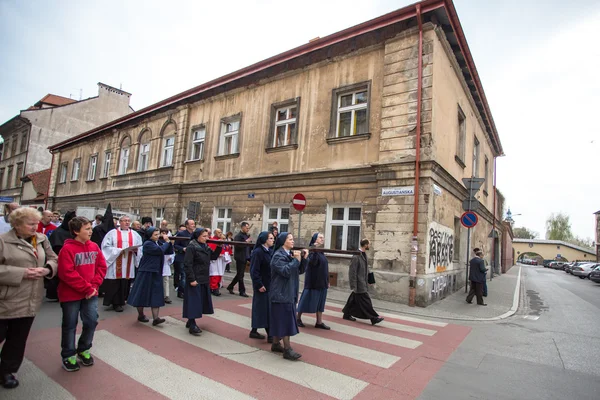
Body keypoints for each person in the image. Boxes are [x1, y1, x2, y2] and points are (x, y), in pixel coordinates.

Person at [0, 207, 58, 389]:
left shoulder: (41, 240)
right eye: (30, 224)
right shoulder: (3, 241)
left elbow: (54, 259)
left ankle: (7, 371)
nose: (35, 227)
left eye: (36, 223)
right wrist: (21, 273)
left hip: (31, 298)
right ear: (16, 224)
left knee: (18, 339)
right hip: (6, 298)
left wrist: (48, 269)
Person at [57, 217, 107, 372]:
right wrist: (86, 288)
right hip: (71, 294)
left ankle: (84, 348)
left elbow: (101, 266)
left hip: (90, 292)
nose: (91, 231)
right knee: (70, 325)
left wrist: (94, 286)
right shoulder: (67, 249)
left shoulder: (94, 247)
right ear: (76, 231)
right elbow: (67, 273)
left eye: (91, 228)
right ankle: (68, 354)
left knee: (91, 321)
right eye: (87, 229)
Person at [270, 232, 308, 361]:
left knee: (279, 319)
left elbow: (299, 270)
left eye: (293, 239)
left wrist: (303, 259)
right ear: (283, 241)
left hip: (288, 292)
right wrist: (296, 260)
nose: (293, 241)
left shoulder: (289, 254)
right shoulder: (277, 256)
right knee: (285, 321)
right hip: (281, 293)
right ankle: (287, 349)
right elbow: (285, 271)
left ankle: (275, 343)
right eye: (290, 239)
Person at [128, 227, 173, 325]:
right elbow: (160, 250)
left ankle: (156, 318)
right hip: (146, 272)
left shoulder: (157, 243)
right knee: (141, 294)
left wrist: (169, 243)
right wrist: (167, 241)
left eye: (158, 234)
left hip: (156, 272)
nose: (158, 236)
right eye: (155, 235)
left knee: (156, 294)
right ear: (150, 235)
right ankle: (141, 315)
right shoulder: (148, 244)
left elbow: (168, 251)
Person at [183, 228, 222, 335]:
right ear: (197, 236)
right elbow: (187, 264)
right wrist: (191, 279)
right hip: (195, 277)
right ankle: (192, 324)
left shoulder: (206, 247)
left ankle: (190, 321)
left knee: (199, 301)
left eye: (207, 236)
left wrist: (219, 247)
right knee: (193, 301)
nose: (207, 238)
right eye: (204, 236)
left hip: (204, 277)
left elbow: (213, 257)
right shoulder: (192, 247)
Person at [100, 215, 143, 312]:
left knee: (125, 282)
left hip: (129, 261)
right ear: (120, 222)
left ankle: (122, 300)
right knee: (114, 282)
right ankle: (115, 302)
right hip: (115, 261)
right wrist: (118, 251)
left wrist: (136, 251)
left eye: (128, 221)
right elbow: (105, 247)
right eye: (125, 221)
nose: (127, 223)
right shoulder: (112, 233)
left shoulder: (135, 234)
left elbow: (140, 247)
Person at [342, 239, 384, 325]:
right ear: (365, 245)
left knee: (353, 298)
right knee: (366, 300)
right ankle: (373, 318)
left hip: (363, 281)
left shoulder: (364, 254)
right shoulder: (356, 256)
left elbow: (366, 268)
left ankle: (346, 313)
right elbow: (352, 271)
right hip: (359, 283)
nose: (370, 246)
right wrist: (353, 284)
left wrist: (370, 279)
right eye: (369, 244)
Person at [297, 232, 330, 330]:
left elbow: (325, 266)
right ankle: (297, 318)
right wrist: (314, 250)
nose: (322, 239)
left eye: (323, 238)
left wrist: (327, 280)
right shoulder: (311, 250)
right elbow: (313, 262)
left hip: (322, 281)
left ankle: (319, 322)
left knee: (321, 302)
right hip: (313, 281)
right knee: (305, 300)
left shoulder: (321, 251)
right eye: (320, 237)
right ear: (315, 239)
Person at [249, 231, 274, 341]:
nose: (273, 240)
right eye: (271, 238)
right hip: (262, 285)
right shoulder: (258, 252)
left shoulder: (269, 251)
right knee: (263, 308)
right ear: (264, 240)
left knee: (262, 308)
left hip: (268, 284)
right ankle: (270, 334)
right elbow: (254, 270)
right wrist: (258, 284)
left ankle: (254, 330)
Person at [46, 210, 77, 302]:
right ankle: (55, 294)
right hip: (59, 256)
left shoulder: (74, 232)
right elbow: (54, 245)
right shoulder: (58, 232)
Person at [228, 222, 252, 297]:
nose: (248, 229)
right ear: (242, 227)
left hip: (245, 257)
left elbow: (249, 247)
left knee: (239, 274)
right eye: (247, 228)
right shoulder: (238, 236)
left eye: (248, 228)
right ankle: (242, 291)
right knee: (241, 275)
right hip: (240, 258)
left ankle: (230, 286)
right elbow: (237, 247)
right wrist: (245, 242)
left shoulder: (246, 236)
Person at [173, 219, 195, 299]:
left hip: (191, 258)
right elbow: (175, 245)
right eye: (191, 224)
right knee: (183, 275)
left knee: (188, 275)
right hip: (182, 257)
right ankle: (182, 291)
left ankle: (182, 291)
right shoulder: (181, 234)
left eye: (194, 224)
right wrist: (183, 249)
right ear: (187, 225)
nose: (193, 225)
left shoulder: (194, 234)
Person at [159, 228, 175, 304]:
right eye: (162, 233)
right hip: (158, 262)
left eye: (165, 233)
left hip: (165, 262)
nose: (164, 234)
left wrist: (170, 258)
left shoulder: (168, 242)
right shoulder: (157, 241)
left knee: (166, 280)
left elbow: (171, 252)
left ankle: (166, 296)